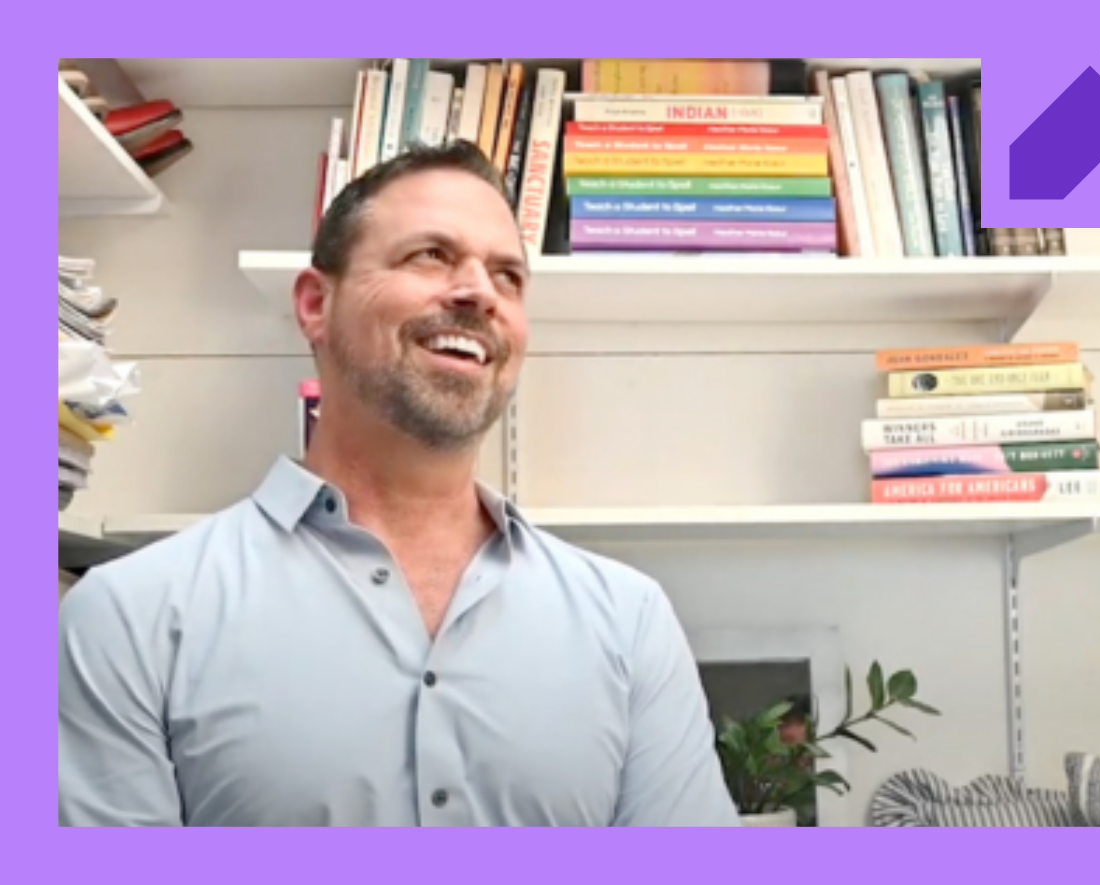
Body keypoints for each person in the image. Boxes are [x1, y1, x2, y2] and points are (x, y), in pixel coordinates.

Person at [58, 140, 742, 827]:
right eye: (431, 255)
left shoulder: (629, 621)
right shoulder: (126, 618)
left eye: (508, 276)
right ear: (315, 304)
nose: (479, 292)